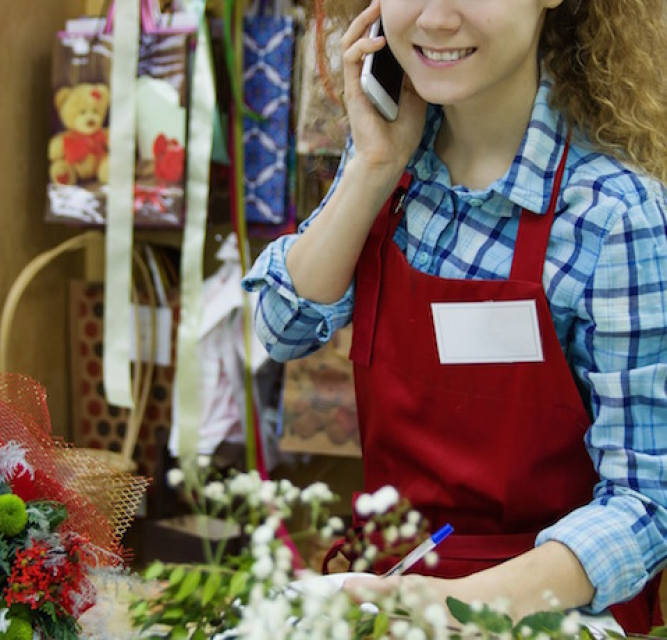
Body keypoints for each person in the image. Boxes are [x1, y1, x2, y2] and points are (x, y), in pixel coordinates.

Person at [241, 0, 667, 633]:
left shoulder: (613, 216)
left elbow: (646, 503)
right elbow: (281, 326)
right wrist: (371, 167)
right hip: (392, 593)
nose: (436, 19)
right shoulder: (398, 162)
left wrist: (449, 604)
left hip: (545, 616)